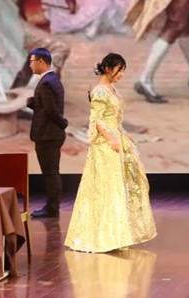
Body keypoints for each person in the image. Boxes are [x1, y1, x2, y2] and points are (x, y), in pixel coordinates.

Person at [65, 53, 157, 253]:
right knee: (107, 188)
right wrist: (111, 139)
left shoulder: (112, 89)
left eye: (123, 70)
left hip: (116, 139)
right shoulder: (99, 91)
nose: (121, 74)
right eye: (119, 69)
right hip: (105, 145)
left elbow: (115, 119)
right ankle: (100, 236)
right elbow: (97, 120)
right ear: (108, 68)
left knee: (120, 187)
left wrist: (124, 137)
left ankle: (116, 235)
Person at [26, 47, 68, 219]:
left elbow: (51, 110)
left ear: (41, 62)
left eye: (32, 61)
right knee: (51, 172)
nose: (30, 65)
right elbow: (47, 106)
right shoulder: (51, 79)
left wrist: (63, 123)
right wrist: (33, 103)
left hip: (48, 134)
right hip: (50, 134)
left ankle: (52, 208)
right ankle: (52, 207)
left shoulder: (47, 82)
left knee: (50, 173)